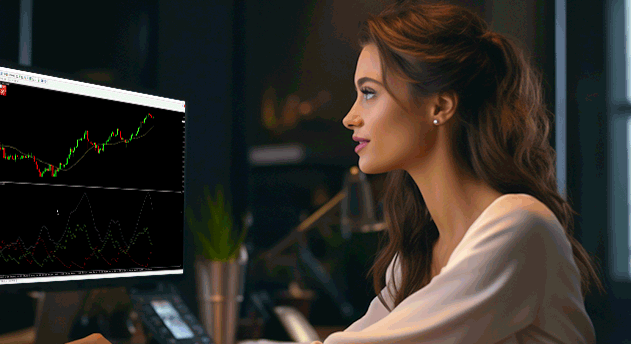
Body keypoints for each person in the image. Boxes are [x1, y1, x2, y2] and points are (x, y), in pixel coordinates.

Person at [242, 0, 606, 343]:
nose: (350, 117)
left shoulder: (519, 228)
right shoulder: (417, 255)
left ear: (440, 105)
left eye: (369, 93)